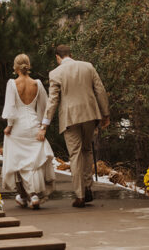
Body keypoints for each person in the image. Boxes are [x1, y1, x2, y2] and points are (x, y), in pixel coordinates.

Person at [37, 44, 110, 207]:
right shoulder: (88, 67)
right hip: (90, 115)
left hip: (70, 119)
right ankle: (88, 187)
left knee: (75, 154)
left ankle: (80, 195)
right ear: (71, 54)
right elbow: (100, 90)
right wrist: (105, 114)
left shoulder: (56, 73)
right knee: (86, 150)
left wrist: (45, 125)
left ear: (57, 57)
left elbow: (53, 100)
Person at [1, 53, 55, 209]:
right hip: (33, 125)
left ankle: (28, 195)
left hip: (18, 126)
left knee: (17, 161)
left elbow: (11, 106)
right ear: (28, 65)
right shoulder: (37, 83)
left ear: (15, 67)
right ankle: (31, 196)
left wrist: (9, 126)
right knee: (33, 163)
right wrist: (43, 127)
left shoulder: (12, 83)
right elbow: (45, 108)